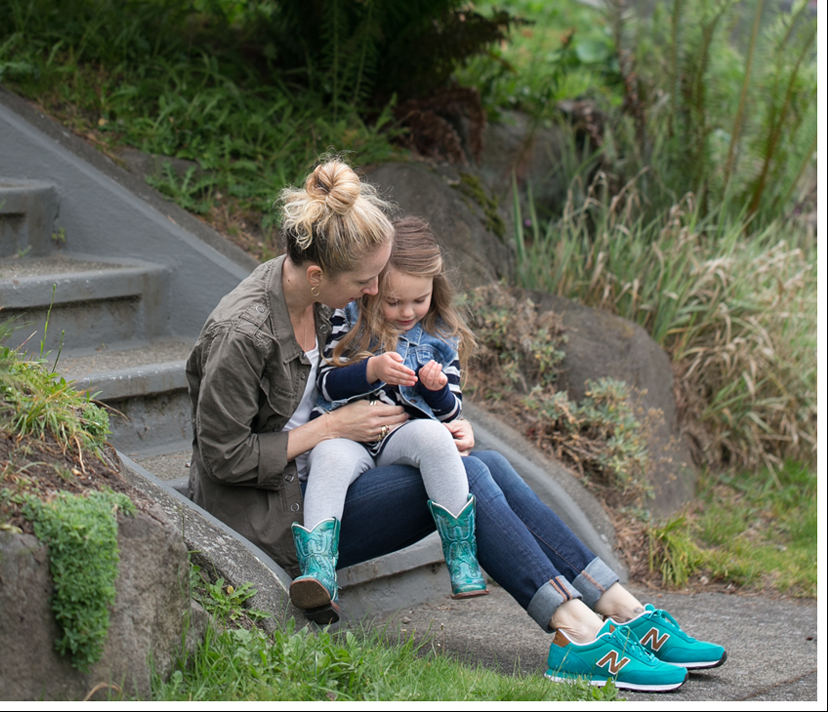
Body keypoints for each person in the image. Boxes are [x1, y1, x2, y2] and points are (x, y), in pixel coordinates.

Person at [186, 157, 726, 692]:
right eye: (365, 281)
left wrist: (442, 420)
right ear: (317, 274)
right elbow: (224, 459)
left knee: (483, 461)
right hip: (271, 516)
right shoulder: (243, 333)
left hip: (322, 478)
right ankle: (577, 632)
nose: (373, 293)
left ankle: (620, 609)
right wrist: (333, 428)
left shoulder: (318, 294)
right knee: (472, 476)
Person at [293, 217, 487, 617]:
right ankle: (318, 570)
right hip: (350, 435)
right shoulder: (350, 318)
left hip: (403, 436)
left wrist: (435, 389)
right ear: (373, 286)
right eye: (393, 301)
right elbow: (326, 384)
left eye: (419, 300)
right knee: (326, 457)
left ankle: (461, 555)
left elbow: (452, 413)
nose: (407, 312)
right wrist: (371, 370)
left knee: (435, 438)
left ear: (435, 288)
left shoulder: (440, 336)